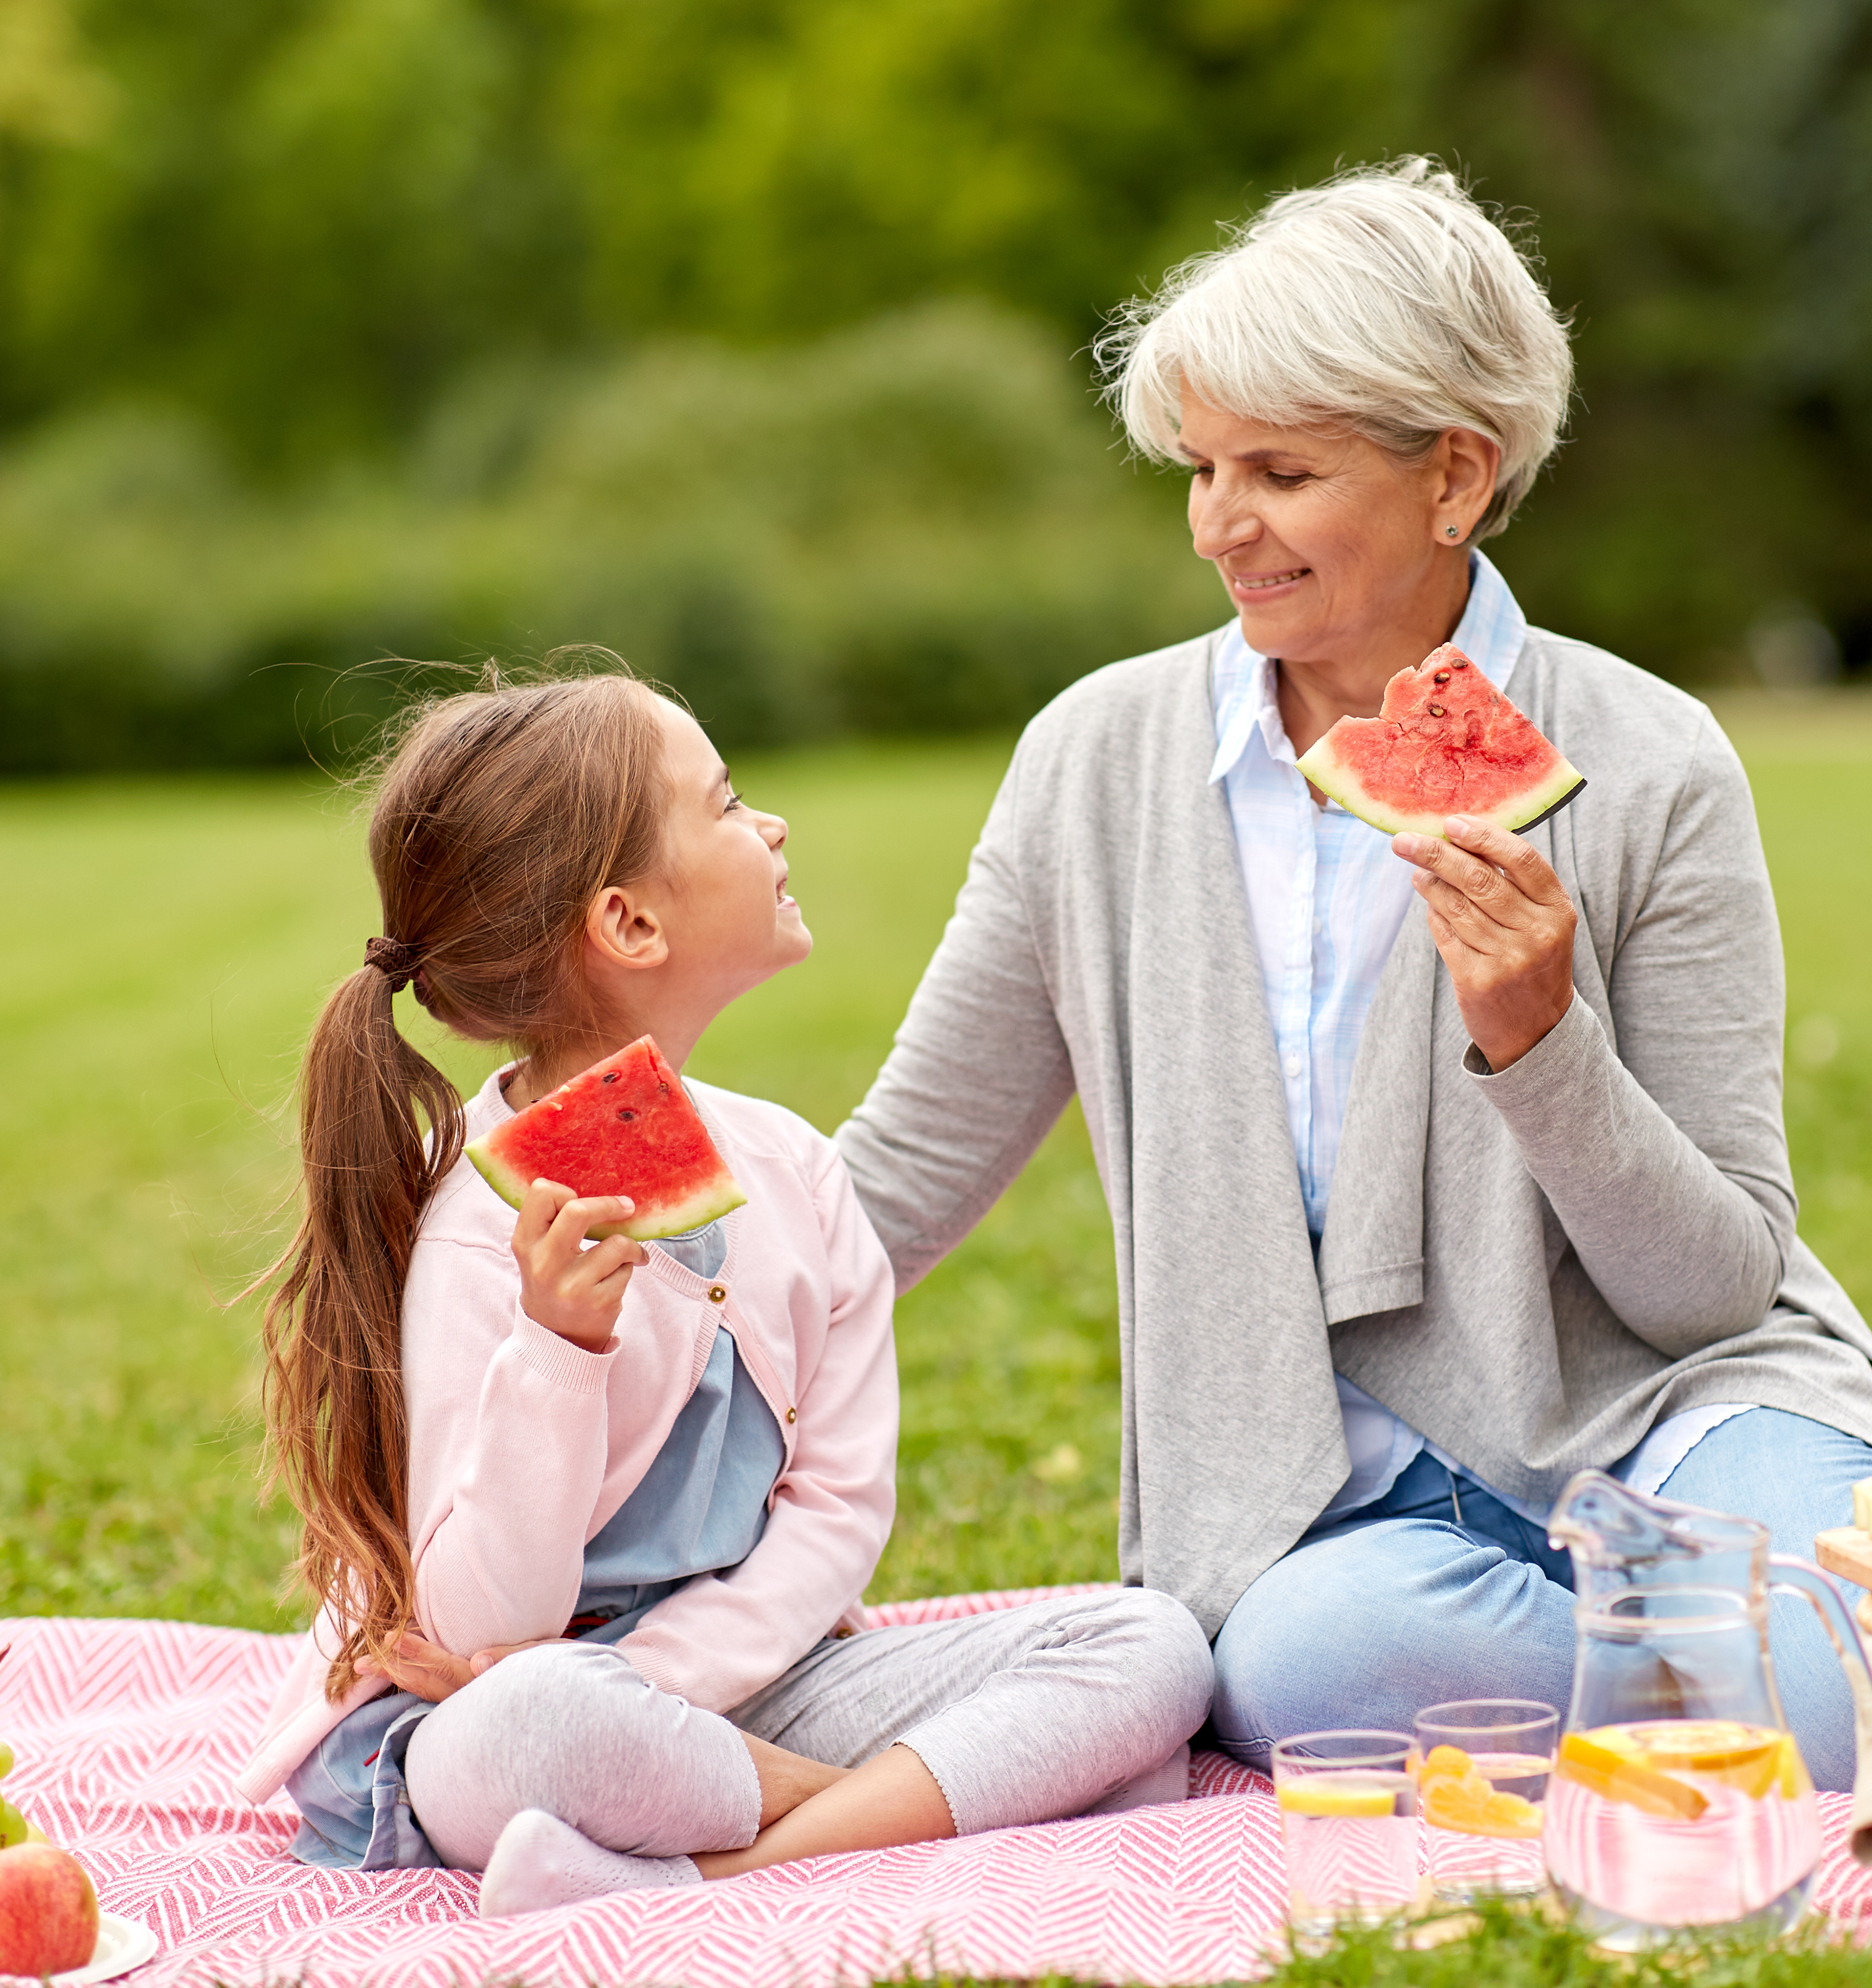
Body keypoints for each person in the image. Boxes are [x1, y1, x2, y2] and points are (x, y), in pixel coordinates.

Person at [837, 162, 1872, 1790]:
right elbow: (901, 1173)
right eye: (1200, 468)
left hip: (1685, 1412)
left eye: (1280, 471)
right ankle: (1756, 1676)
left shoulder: (1650, 759)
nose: (1219, 523)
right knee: (1304, 1668)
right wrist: (620, 1338)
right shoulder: (1097, 764)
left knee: (1821, 1693)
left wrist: (1541, 1044)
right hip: (1338, 1498)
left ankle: (1764, 1663)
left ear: (1453, 479)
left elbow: (1710, 1287)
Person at [232, 669, 1212, 1914]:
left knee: (1150, 1651)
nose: (773, 827)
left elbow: (838, 1506)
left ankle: (694, 1871)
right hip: (497, 1720)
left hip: (747, 1686)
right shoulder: (482, 1234)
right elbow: (486, 1625)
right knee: (543, 1716)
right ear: (630, 925)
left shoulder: (795, 1175)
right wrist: (557, 1354)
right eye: (731, 803)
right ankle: (903, 1804)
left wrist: (672, 1688)